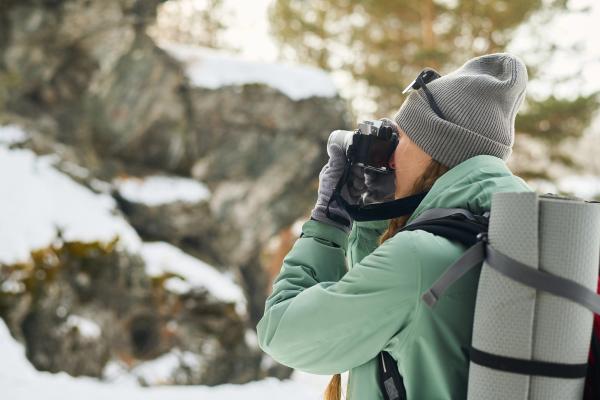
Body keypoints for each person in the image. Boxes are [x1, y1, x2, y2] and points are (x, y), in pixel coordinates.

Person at [257, 53, 532, 399]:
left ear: (434, 149)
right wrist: (375, 220)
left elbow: (282, 332)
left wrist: (329, 224)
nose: (389, 152)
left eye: (399, 138)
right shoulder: (499, 238)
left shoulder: (418, 261)